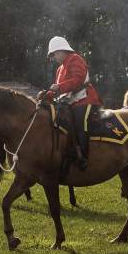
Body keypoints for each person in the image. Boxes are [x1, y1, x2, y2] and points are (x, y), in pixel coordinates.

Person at [44, 36, 102, 170]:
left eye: (56, 53)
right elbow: (58, 90)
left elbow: (78, 79)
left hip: (85, 100)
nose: (54, 57)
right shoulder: (59, 69)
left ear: (64, 50)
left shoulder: (75, 59)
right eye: (53, 54)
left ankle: (82, 156)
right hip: (69, 103)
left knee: (80, 120)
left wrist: (59, 87)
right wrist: (46, 95)